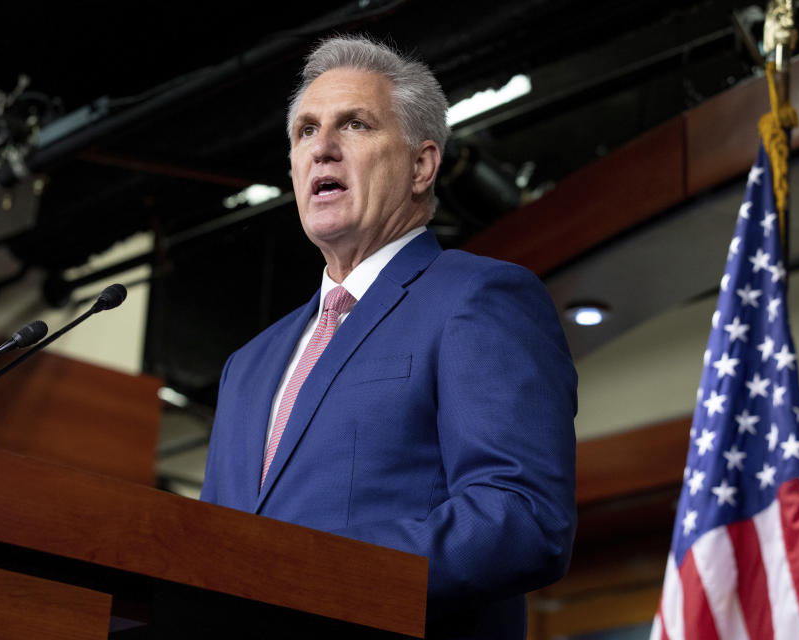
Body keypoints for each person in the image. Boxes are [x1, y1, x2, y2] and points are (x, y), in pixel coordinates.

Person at [200, 34, 577, 639]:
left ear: (422, 165)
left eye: (354, 125)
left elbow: (521, 517)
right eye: (305, 131)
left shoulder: (478, 297)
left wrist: (305, 573)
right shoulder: (248, 363)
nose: (321, 148)